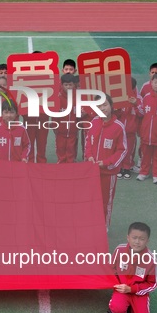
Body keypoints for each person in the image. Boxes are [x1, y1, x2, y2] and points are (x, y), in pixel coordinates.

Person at [105, 222, 157, 313]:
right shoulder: (119, 250)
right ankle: (115, 309)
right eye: (134, 237)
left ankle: (132, 309)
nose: (137, 242)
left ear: (147, 240)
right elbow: (111, 269)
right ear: (128, 237)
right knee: (117, 308)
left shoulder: (150, 259)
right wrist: (116, 284)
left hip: (138, 293)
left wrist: (132, 289)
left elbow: (153, 284)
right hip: (122, 290)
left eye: (142, 239)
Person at [84, 94, 127, 229]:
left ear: (111, 106)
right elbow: (88, 142)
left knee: (105, 201)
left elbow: (122, 150)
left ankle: (104, 226)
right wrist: (89, 156)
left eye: (105, 105)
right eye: (98, 106)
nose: (102, 108)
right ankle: (91, 222)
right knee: (91, 199)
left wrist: (107, 163)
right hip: (92, 171)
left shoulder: (118, 126)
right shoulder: (94, 122)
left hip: (108, 173)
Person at [115, 77, 144, 179]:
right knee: (119, 149)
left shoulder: (138, 99)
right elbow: (114, 114)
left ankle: (127, 168)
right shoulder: (118, 97)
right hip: (119, 131)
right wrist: (117, 109)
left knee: (129, 151)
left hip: (131, 132)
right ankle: (119, 168)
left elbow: (141, 113)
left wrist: (135, 105)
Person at [55, 74, 79, 163]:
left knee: (71, 151)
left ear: (74, 85)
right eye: (66, 85)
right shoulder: (57, 97)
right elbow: (54, 114)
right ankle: (61, 168)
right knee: (60, 150)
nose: (68, 87)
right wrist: (55, 125)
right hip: (60, 131)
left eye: (70, 84)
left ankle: (70, 169)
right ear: (61, 85)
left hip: (73, 131)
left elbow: (82, 112)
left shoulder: (78, 96)